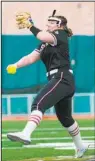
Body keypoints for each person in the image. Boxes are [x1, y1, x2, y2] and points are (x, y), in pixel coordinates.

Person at [6, 11, 88, 158]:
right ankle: (80, 146)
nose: (48, 23)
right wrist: (16, 65)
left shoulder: (60, 34)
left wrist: (30, 26)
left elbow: (42, 35)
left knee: (38, 104)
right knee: (65, 118)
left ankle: (26, 133)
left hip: (61, 77)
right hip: (61, 79)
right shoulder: (46, 42)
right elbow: (31, 57)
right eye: (48, 21)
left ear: (59, 25)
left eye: (52, 21)